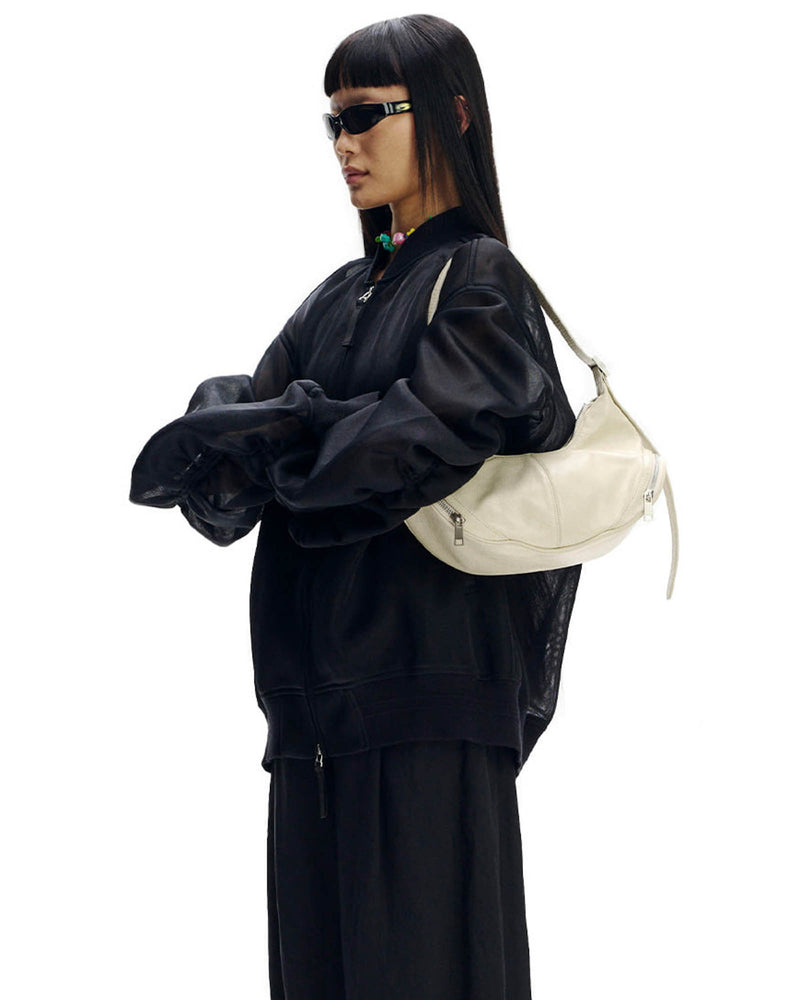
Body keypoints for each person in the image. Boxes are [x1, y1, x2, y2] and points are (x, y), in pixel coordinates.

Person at [130, 14, 583, 999]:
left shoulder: (480, 279)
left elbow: (411, 445)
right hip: (313, 715)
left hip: (425, 701)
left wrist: (290, 435)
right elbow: (236, 461)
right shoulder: (338, 298)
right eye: (332, 121)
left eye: (368, 115)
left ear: (452, 115)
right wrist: (288, 432)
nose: (344, 144)